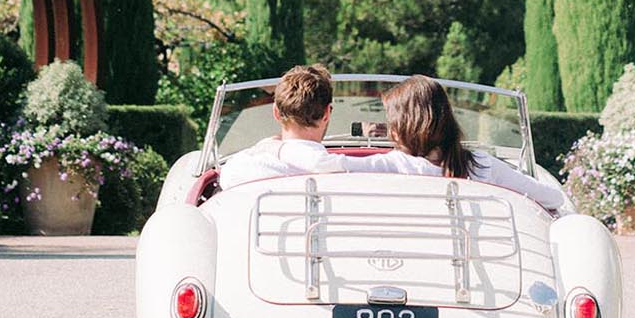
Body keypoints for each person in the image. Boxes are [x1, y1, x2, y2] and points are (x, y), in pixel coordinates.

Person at [218, 63, 440, 189]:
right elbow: (427, 170)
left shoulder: (240, 169)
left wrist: (268, 146)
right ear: (327, 113)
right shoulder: (351, 168)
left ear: (276, 112)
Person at [381, 75, 565, 211]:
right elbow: (553, 198)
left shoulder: (396, 164)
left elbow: (351, 166)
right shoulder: (481, 164)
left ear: (402, 128)